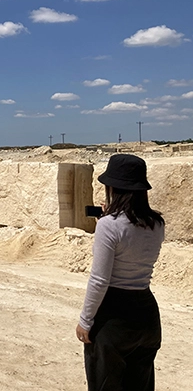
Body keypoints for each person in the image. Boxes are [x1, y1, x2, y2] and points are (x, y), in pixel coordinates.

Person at [76, 154, 165, 391]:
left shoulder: (109, 225)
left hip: (113, 315)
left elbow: (99, 279)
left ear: (113, 188)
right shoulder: (157, 223)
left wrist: (85, 320)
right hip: (146, 313)